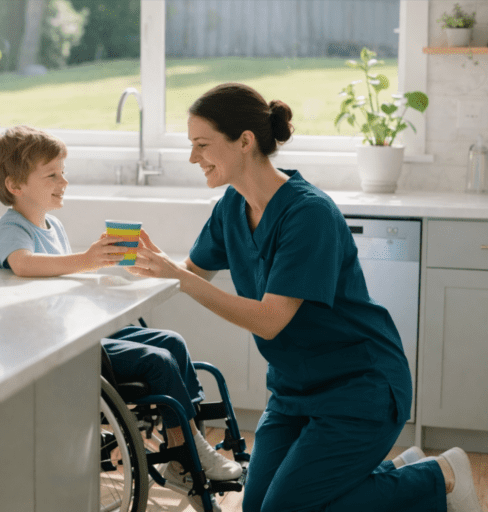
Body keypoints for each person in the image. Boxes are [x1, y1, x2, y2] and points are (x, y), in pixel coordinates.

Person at [126, 82, 483, 512]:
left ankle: (436, 476)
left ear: (244, 142)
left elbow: (269, 320)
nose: (192, 157)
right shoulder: (231, 209)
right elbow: (190, 272)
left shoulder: (307, 213)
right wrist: (138, 265)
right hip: (294, 389)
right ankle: (394, 473)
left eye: (202, 145)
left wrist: (177, 277)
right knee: (258, 508)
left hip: (360, 386)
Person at [0, 124, 242, 512]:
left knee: (171, 341)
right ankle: (186, 454)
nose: (64, 181)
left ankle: (186, 443)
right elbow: (22, 265)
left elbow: (60, 278)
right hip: (58, 347)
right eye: (52, 174)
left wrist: (101, 274)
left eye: (62, 171)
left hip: (77, 332)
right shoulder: (11, 227)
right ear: (15, 185)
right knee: (157, 361)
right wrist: (87, 260)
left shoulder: (53, 227)